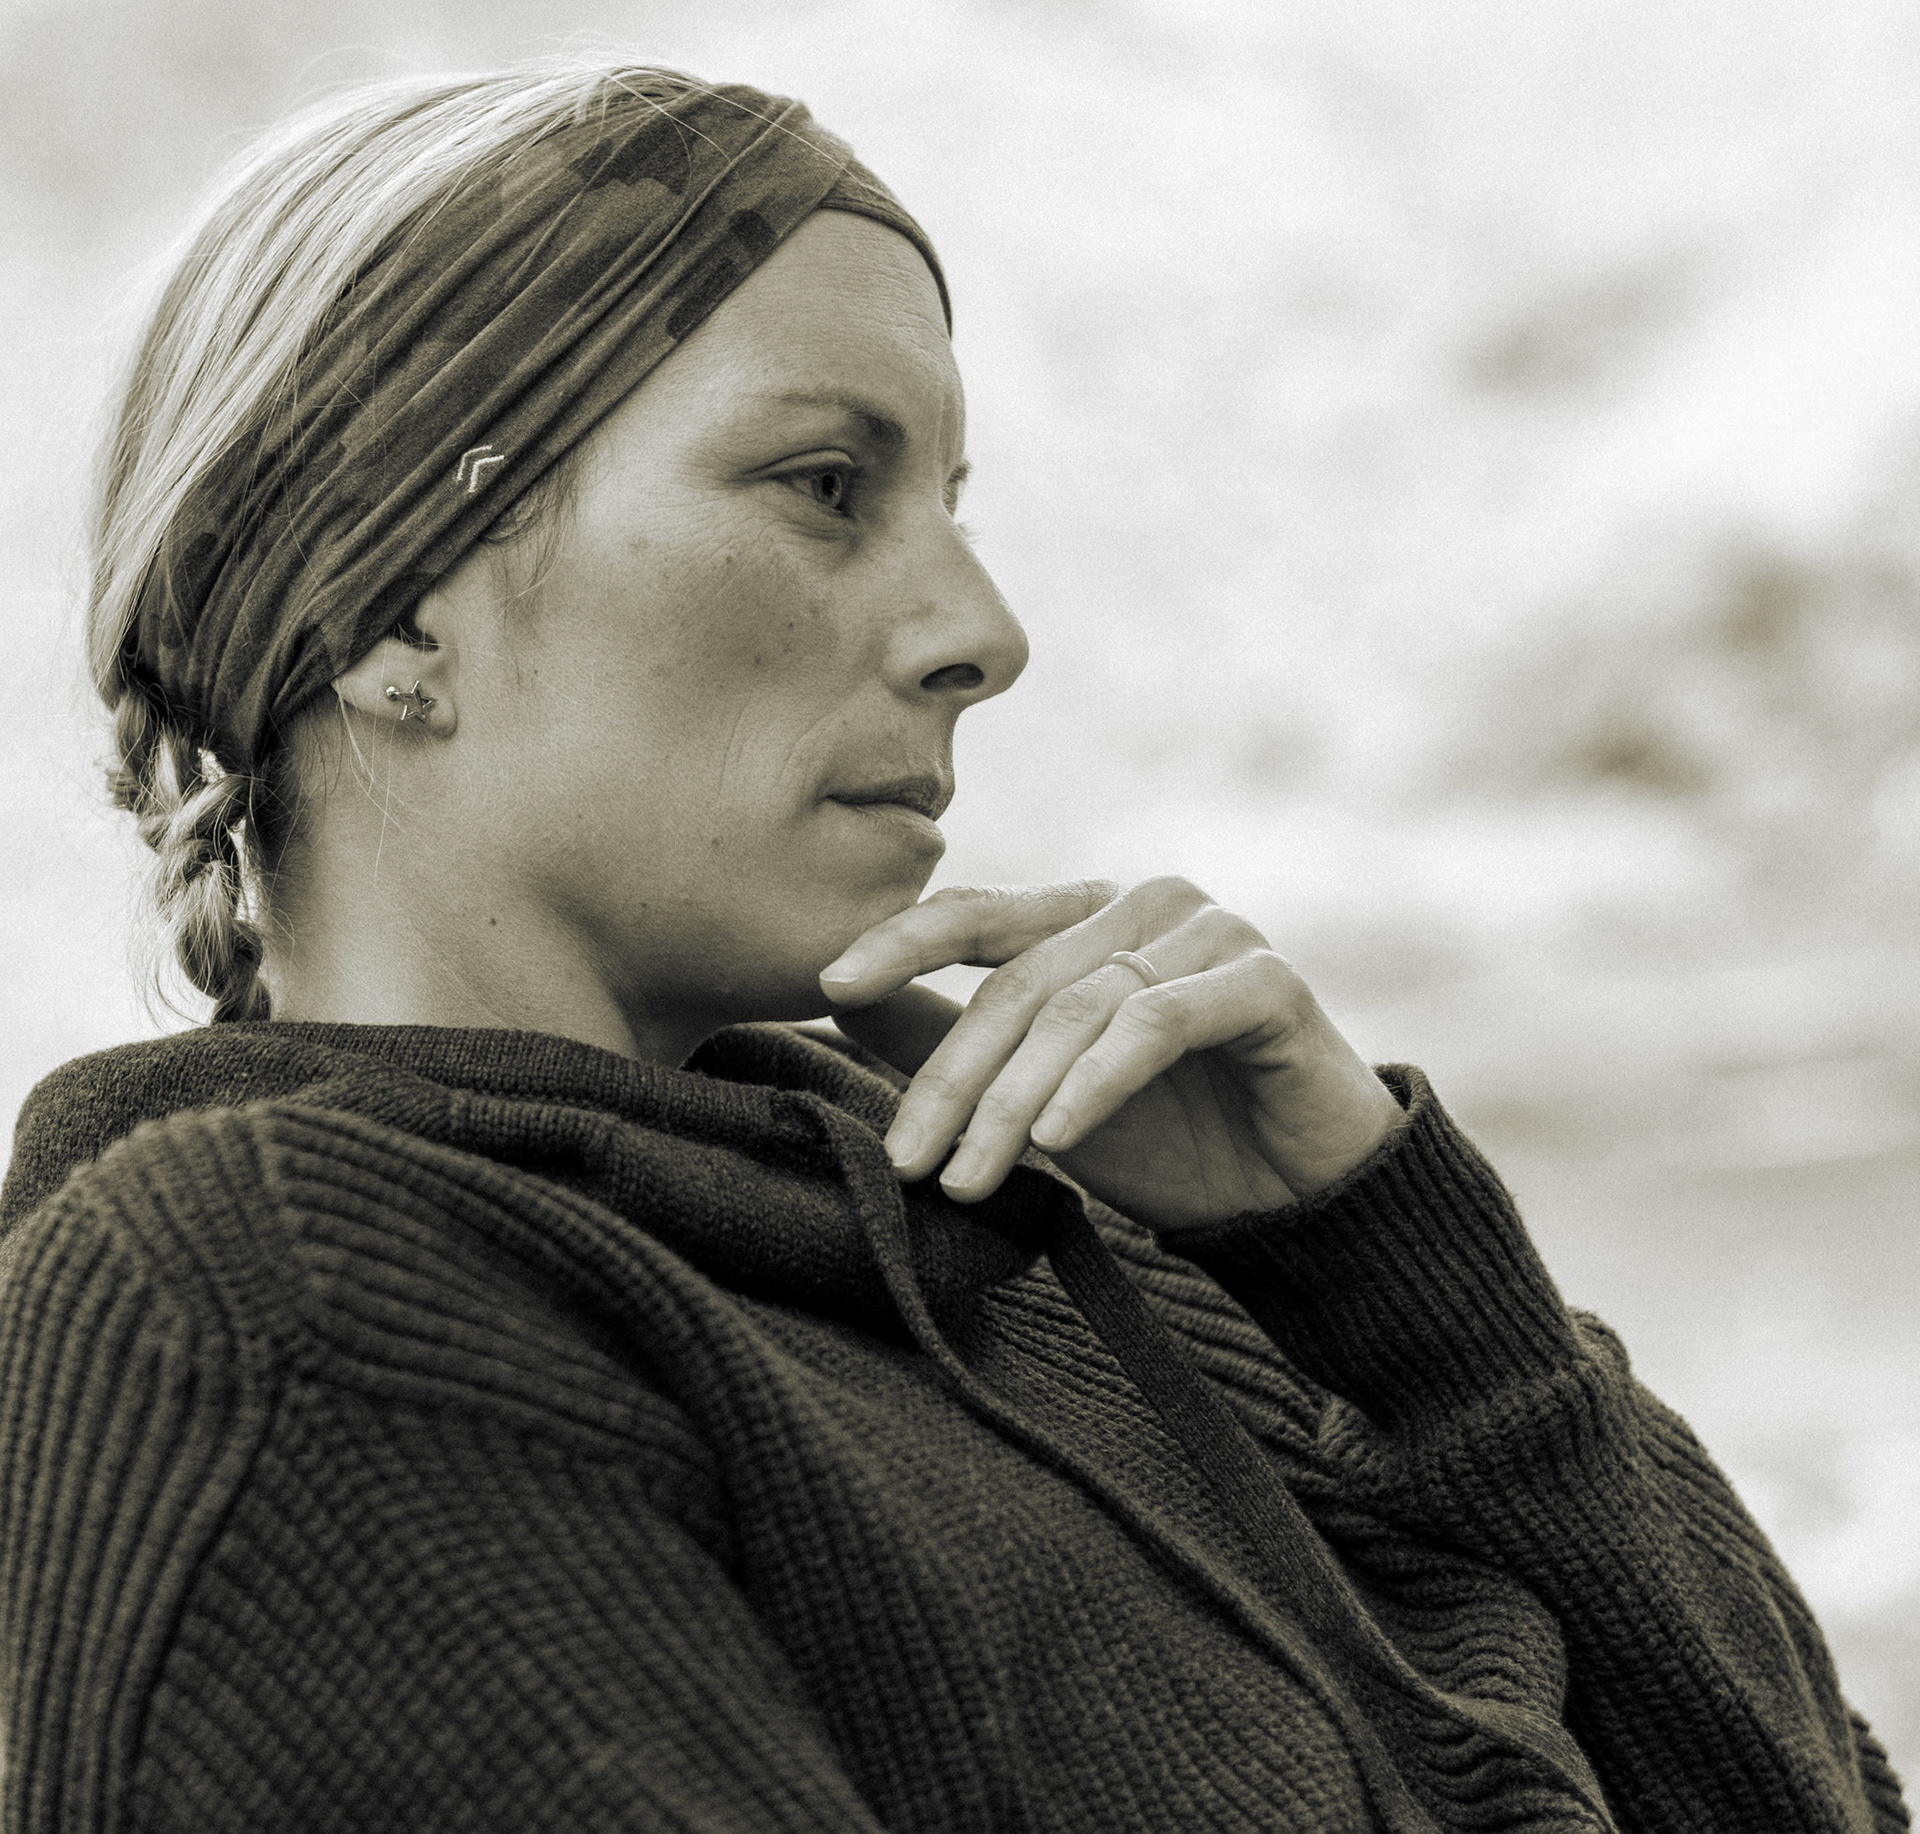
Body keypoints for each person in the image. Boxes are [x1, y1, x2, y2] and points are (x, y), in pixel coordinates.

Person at [0, 59, 1906, 1834]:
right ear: (385, 604)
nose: (985, 633)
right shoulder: (273, 1309)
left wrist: (1386, 1272)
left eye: (953, 503)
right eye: (825, 487)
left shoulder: (1065, 1258)